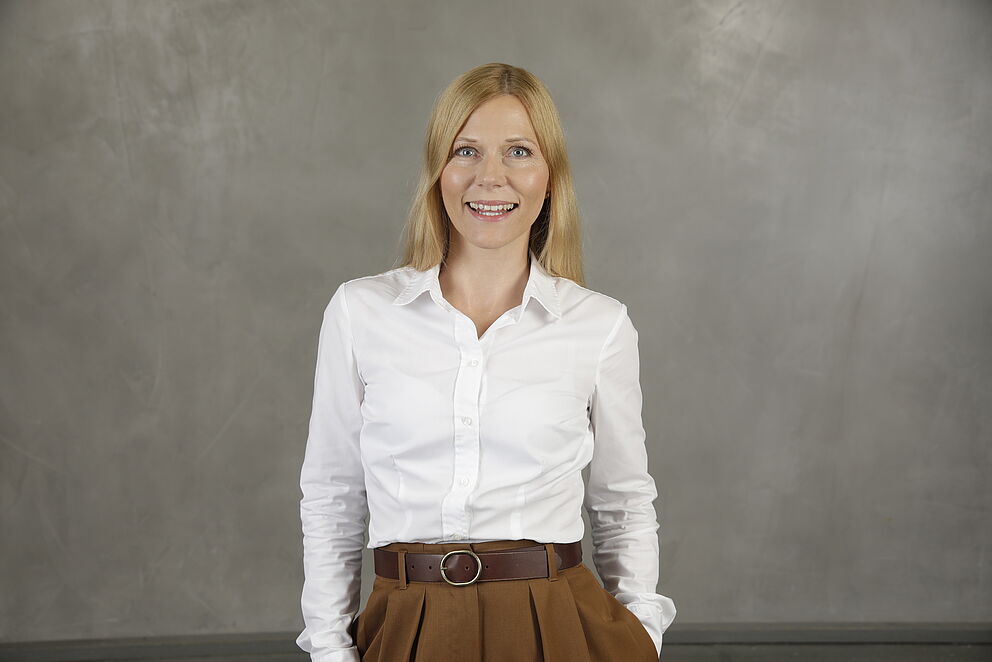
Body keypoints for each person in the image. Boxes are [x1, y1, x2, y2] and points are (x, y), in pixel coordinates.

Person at [295, 62, 676, 662]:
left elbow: (622, 502)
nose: (490, 177)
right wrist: (328, 647)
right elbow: (332, 495)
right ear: (438, 173)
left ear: (550, 178)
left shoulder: (599, 325)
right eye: (466, 151)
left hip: (557, 625)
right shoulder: (360, 312)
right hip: (408, 625)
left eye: (518, 152)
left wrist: (642, 633)